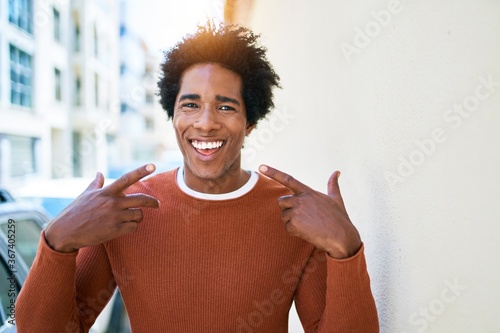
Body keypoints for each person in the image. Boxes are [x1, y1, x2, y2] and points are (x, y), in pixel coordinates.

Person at [15, 22, 379, 332]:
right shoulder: (126, 210)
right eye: (190, 105)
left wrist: (346, 249)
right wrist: (57, 240)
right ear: (172, 116)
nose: (205, 122)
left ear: (250, 123)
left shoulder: (294, 215)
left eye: (225, 106)